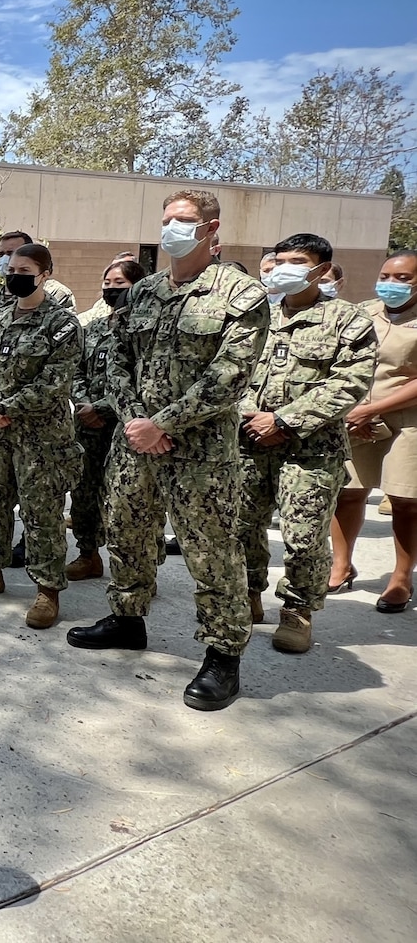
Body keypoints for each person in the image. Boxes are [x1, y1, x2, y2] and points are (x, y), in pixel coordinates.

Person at [68, 189, 270, 711]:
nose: (171, 229)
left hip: (200, 450)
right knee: (128, 531)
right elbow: (116, 359)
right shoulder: (144, 292)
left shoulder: (241, 294)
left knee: (211, 549)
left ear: (211, 227)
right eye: (165, 220)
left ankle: (224, 654)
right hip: (135, 443)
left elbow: (229, 377)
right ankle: (128, 618)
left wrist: (163, 423)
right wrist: (138, 420)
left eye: (182, 220)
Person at [237, 234, 376, 652]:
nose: (283, 268)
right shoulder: (257, 315)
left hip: (312, 449)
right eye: (278, 260)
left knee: (303, 535)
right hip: (249, 441)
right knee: (243, 526)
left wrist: (283, 420)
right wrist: (249, 414)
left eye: (296, 261)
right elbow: (232, 368)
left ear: (319, 269)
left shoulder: (348, 320)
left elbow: (349, 383)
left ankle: (297, 611)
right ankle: (247, 594)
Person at [0, 245, 82, 627]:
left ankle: (47, 590)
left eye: (23, 269)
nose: (14, 275)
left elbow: (56, 382)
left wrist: (6, 409)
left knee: (41, 513)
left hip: (40, 438)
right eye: (10, 269)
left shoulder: (61, 323)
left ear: (44, 274)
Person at [329, 250, 417, 613]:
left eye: (403, 278)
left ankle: (400, 577)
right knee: (348, 493)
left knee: (405, 501)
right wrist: (354, 410)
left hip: (406, 421)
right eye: (386, 276)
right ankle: (341, 565)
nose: (391, 284)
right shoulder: (362, 313)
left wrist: (374, 408)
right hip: (357, 419)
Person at [67, 258, 147, 581]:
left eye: (120, 284)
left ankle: (139, 569)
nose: (111, 290)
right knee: (84, 493)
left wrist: (103, 408)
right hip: (87, 425)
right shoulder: (93, 329)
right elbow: (76, 370)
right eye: (108, 283)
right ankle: (88, 554)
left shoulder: (143, 330)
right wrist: (85, 404)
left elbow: (140, 382)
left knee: (128, 501)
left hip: (126, 427)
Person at [78, 251, 138, 328]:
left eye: (119, 282)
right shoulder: (102, 305)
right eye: (107, 283)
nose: (111, 286)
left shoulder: (146, 310)